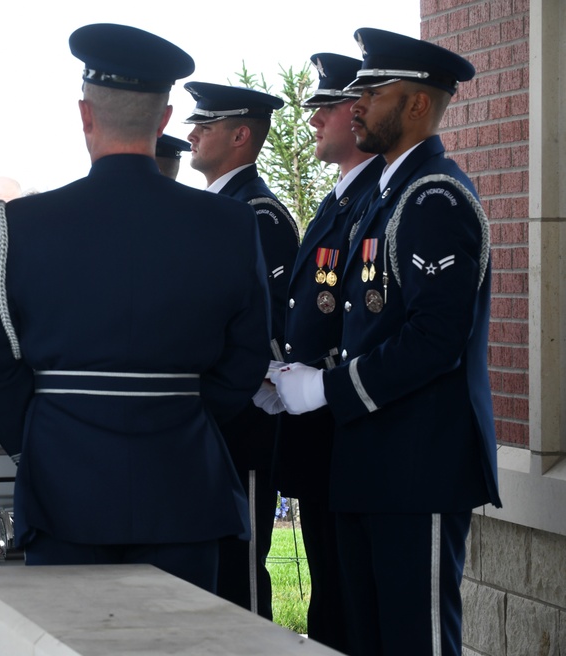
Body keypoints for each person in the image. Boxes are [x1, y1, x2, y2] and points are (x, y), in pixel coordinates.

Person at [0, 22, 271, 593]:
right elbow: (246, 359)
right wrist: (179, 419)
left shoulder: (20, 226)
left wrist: (43, 444)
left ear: (85, 115)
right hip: (183, 487)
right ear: (164, 119)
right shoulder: (229, 224)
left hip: (63, 494)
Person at [271, 28, 502, 656]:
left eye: (373, 92)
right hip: (370, 464)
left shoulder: (433, 196)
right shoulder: (385, 196)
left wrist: (325, 388)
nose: (357, 105)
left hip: (417, 468)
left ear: (418, 105)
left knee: (413, 642)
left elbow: (436, 339)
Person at [273, 52, 383, 653]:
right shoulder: (343, 198)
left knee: (348, 603)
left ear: (358, 111)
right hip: (320, 431)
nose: (314, 120)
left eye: (326, 107)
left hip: (345, 425)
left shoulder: (374, 199)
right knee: (331, 600)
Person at [184, 80, 300, 618]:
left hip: (245, 420)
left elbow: (267, 327)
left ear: (240, 135)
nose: (190, 135)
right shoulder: (218, 206)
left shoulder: (258, 213)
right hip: (211, 420)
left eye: (204, 127)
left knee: (241, 576)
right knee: (212, 574)